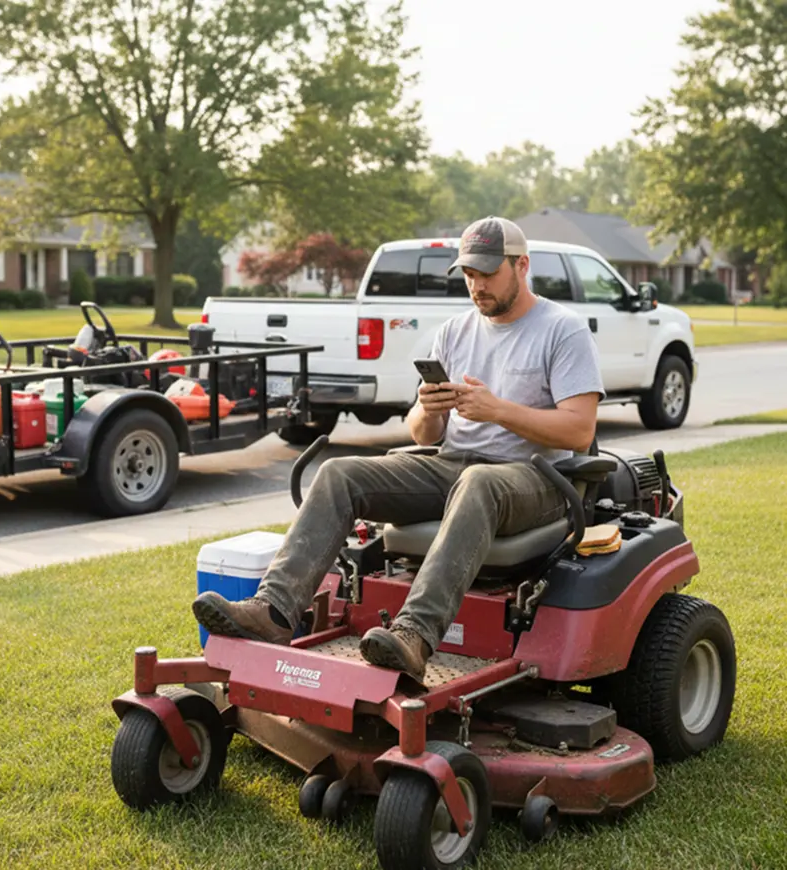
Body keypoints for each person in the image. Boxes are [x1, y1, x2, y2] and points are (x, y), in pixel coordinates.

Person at [192, 216, 605, 680]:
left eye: (488, 273)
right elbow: (424, 435)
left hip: (535, 479)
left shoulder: (562, 330)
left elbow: (577, 430)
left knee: (478, 482)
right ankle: (273, 612)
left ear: (522, 265)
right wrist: (428, 410)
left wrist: (497, 410)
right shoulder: (454, 333)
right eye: (469, 274)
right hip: (455, 466)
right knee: (339, 473)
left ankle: (414, 634)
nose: (477, 285)